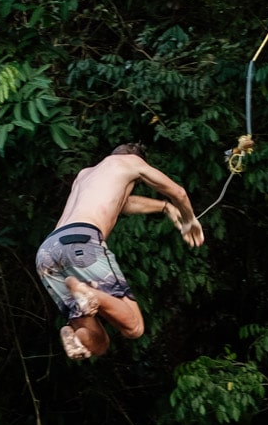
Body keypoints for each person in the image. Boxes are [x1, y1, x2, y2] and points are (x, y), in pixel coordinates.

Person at [35, 143, 205, 361]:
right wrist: (189, 219)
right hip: (81, 241)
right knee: (134, 327)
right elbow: (178, 192)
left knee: (98, 343)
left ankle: (75, 335)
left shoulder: (85, 175)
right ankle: (90, 293)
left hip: (47, 251)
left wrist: (164, 207)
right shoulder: (132, 162)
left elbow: (121, 203)